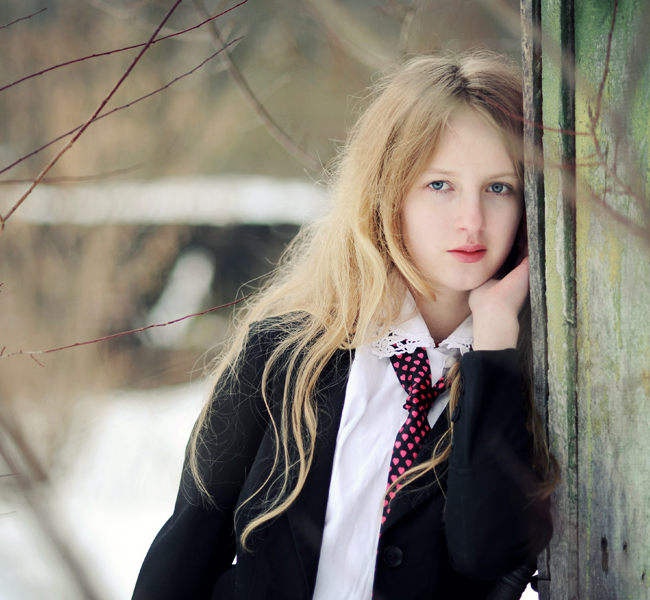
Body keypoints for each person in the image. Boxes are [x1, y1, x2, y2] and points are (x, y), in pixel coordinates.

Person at [132, 49, 558, 600]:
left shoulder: (528, 386)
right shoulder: (285, 351)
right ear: (389, 191)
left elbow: (484, 553)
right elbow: (186, 549)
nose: (471, 221)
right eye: (440, 185)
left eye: (499, 188)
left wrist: (494, 341)